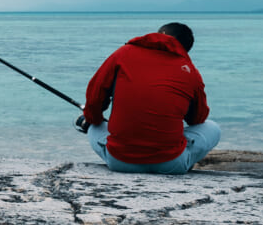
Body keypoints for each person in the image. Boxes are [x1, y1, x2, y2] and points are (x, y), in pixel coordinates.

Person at [77, 22, 221, 174]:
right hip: (171, 164)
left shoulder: (122, 53)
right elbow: (198, 119)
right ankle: (183, 159)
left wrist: (92, 118)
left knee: (93, 124)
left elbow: (94, 98)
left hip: (119, 161)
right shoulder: (190, 70)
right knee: (213, 128)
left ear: (162, 34)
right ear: (185, 49)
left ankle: (88, 126)